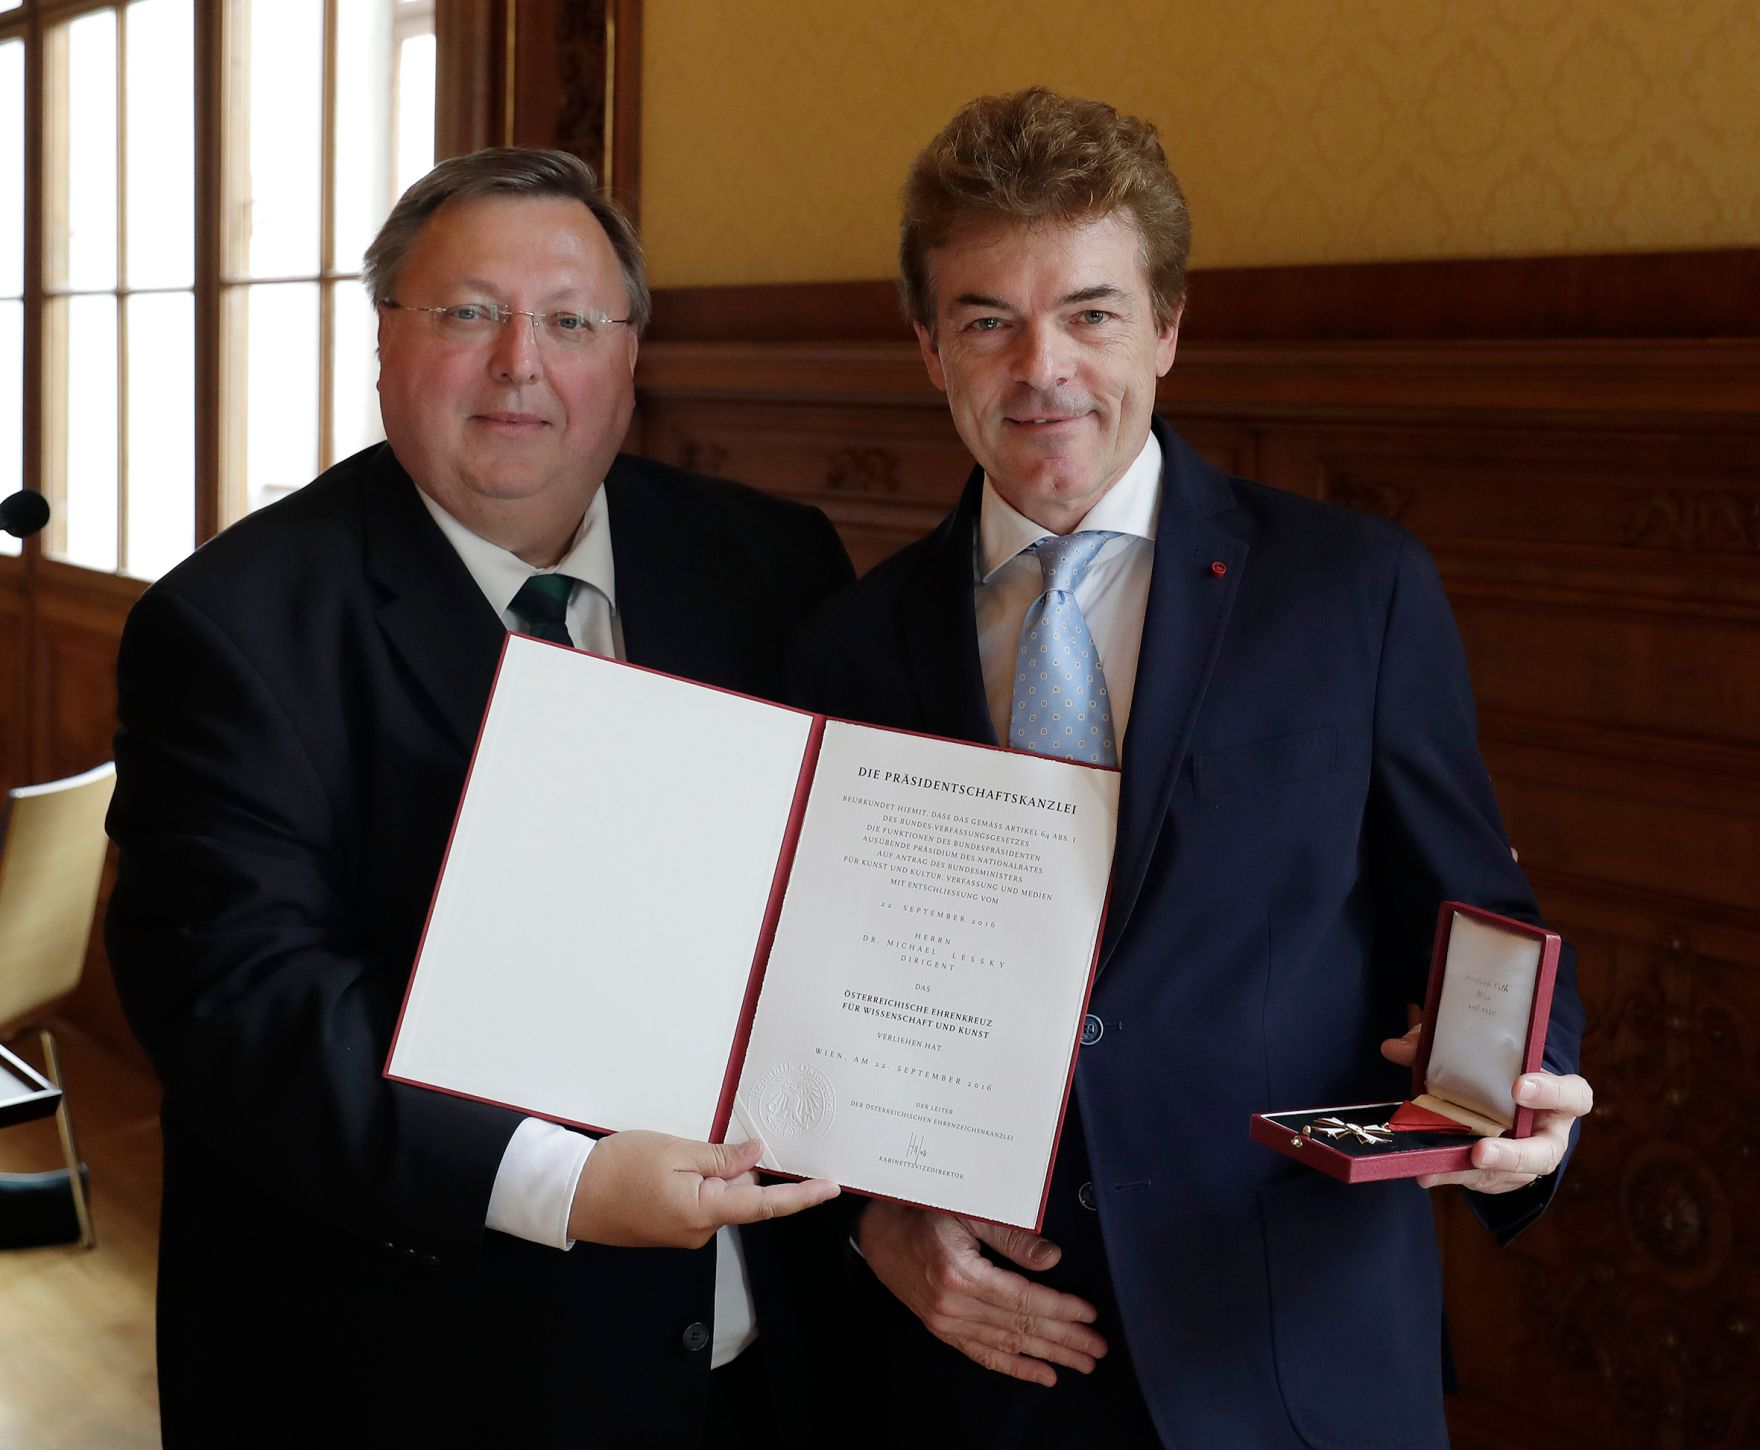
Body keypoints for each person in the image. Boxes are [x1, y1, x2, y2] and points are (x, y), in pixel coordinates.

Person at [788, 88, 1593, 1449]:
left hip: (1288, 1347)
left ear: (1168, 323)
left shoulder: (1352, 591)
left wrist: (1529, 1097)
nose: (1042, 367)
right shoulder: (844, 644)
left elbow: (1473, 919)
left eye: (1092, 312)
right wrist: (870, 1224)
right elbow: (807, 1018)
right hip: (981, 1369)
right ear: (929, 347)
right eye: (989, 319)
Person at [106, 147, 853, 1446]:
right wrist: (562, 1180)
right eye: (468, 313)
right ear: (385, 342)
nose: (521, 363)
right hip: (412, 1376)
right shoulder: (232, 628)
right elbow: (247, 1008)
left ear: (630, 356)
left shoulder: (774, 566)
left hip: (752, 1369)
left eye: (570, 321)